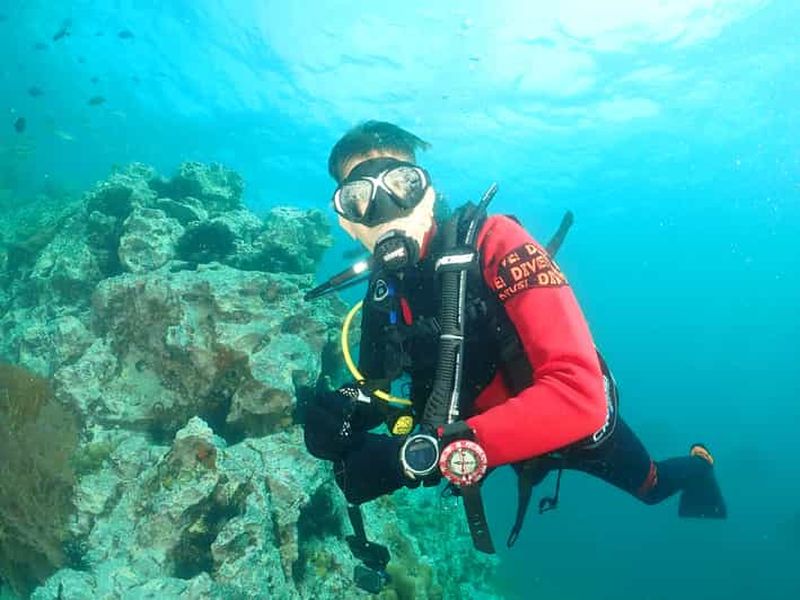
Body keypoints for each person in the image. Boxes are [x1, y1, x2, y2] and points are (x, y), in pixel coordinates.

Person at [302, 120, 726, 558]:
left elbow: (579, 396)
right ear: (346, 223)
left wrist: (414, 456)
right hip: (482, 437)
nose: (383, 209)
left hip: (571, 432)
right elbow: (377, 384)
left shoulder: (498, 243)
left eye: (402, 183)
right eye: (357, 198)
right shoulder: (384, 290)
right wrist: (342, 410)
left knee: (651, 486)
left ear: (428, 194)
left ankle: (698, 467)